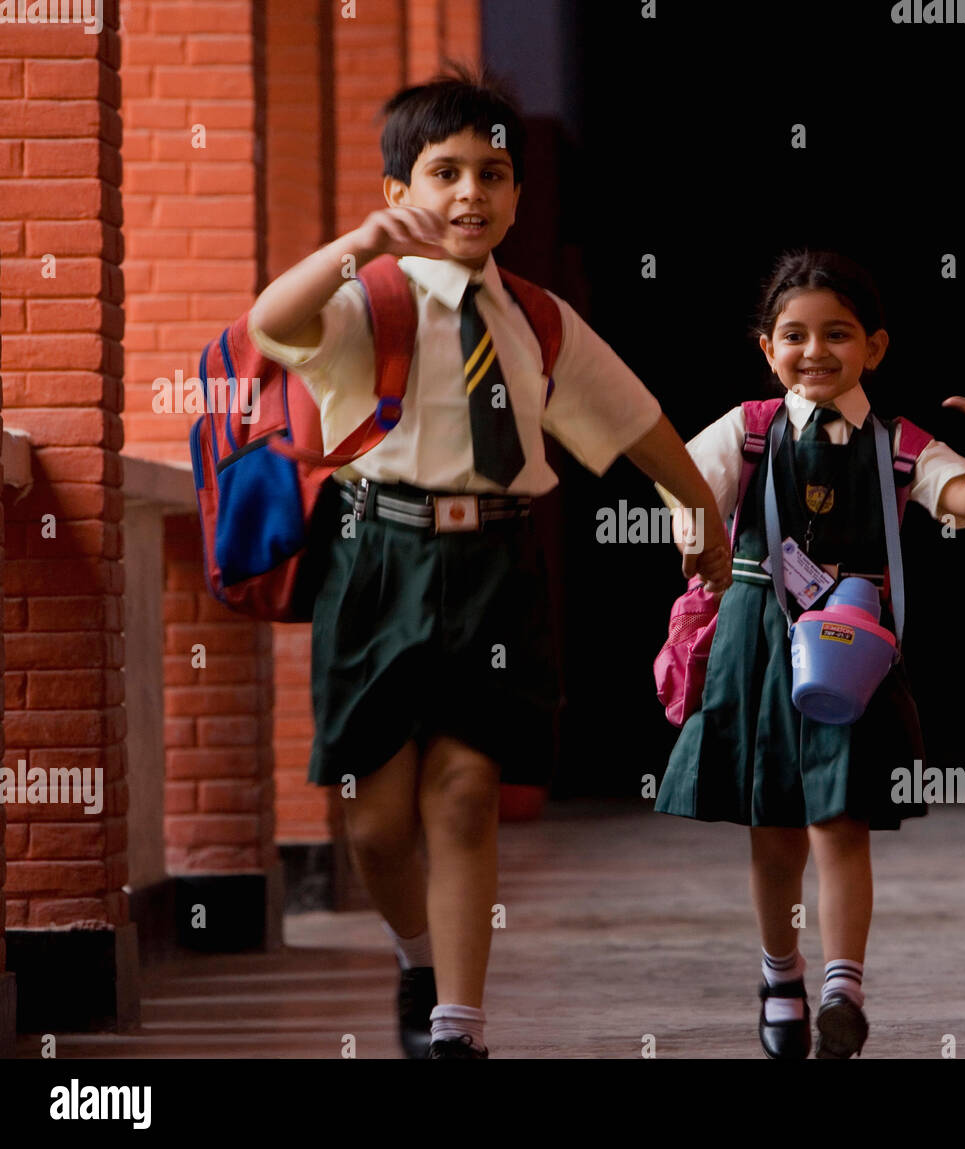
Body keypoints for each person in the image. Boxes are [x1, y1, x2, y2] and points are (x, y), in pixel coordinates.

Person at [246, 66, 731, 1059]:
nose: (471, 193)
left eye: (493, 173)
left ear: (515, 194)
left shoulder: (537, 319)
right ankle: (416, 960)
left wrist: (696, 506)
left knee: (466, 793)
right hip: (375, 559)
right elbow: (272, 323)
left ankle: (459, 1028)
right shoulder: (365, 300)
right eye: (445, 172)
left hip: (496, 567)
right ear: (400, 193)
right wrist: (352, 250)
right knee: (378, 824)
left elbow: (637, 421)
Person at [654, 249, 965, 1058]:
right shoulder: (750, 430)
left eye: (838, 332)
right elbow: (681, 483)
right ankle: (780, 974)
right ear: (767, 348)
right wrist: (693, 533)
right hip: (758, 642)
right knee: (772, 829)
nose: (816, 350)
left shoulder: (897, 443)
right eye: (794, 334)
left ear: (876, 345)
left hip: (849, 650)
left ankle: (842, 987)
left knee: (840, 819)